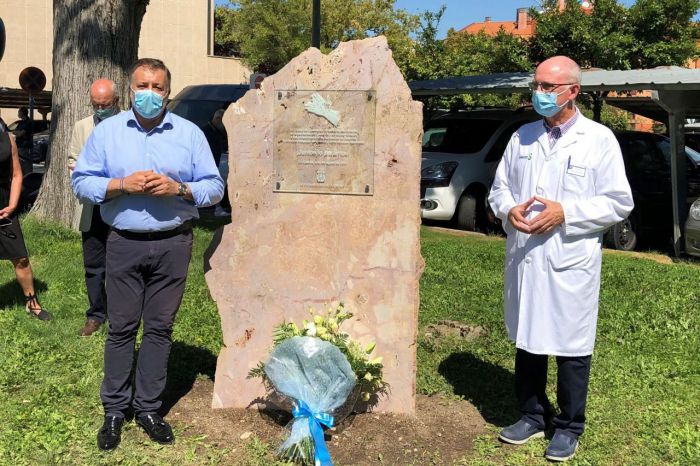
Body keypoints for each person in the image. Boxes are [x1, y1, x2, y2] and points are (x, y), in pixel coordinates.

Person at [72, 58, 223, 451]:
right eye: (143, 85)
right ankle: (114, 410)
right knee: (121, 328)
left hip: (174, 243)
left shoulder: (189, 134)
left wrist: (181, 190)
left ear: (168, 92)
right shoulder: (108, 134)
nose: (150, 94)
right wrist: (121, 184)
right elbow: (81, 182)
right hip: (123, 241)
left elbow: (215, 187)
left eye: (157, 87)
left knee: (159, 328)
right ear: (131, 87)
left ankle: (149, 408)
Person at [487, 56, 634, 462]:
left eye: (550, 87)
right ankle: (533, 415)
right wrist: (508, 210)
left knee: (571, 345)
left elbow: (619, 201)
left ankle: (569, 426)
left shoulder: (599, 139)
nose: (540, 94)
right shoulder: (523, 137)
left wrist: (566, 212)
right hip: (526, 256)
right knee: (528, 338)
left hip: (569, 258)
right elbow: (499, 189)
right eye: (537, 85)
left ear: (573, 91)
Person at [69, 78, 120, 337]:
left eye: (105, 104)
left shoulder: (128, 125)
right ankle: (96, 314)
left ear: (117, 102)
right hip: (92, 207)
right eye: (96, 104)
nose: (100, 108)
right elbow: (73, 159)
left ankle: (121, 315)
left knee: (122, 264)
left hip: (122, 207)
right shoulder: (82, 126)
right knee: (93, 263)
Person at [0, 117, 51, 321]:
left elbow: (16, 175)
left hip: (4, 208)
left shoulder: (7, 139)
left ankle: (32, 303)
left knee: (20, 258)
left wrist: (12, 205)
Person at [202, 108, 231, 216]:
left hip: (216, 161)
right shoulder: (207, 132)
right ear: (218, 119)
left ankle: (218, 207)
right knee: (216, 184)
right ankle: (216, 208)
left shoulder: (216, 130)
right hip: (210, 163)